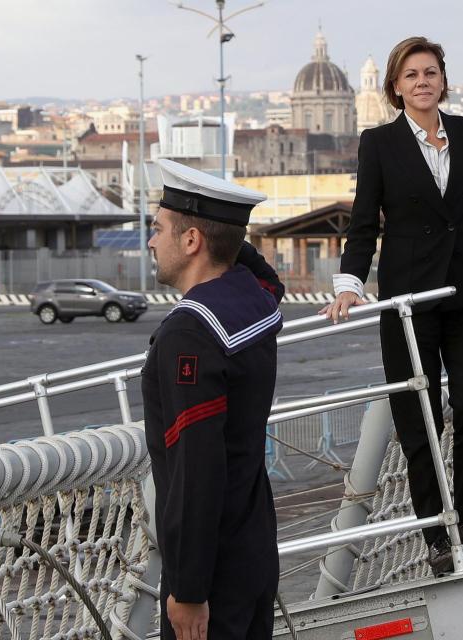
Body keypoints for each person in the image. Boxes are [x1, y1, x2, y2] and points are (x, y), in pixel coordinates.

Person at [323, 36, 463, 576]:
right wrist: (349, 283)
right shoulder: (379, 143)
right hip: (408, 302)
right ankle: (436, 533)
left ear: (443, 80)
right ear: (396, 87)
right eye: (411, 75)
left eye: (430, 72)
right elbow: (364, 223)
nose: (422, 82)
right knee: (419, 418)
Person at [142, 159, 283, 640]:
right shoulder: (252, 302)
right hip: (254, 551)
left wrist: (187, 589)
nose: (151, 241)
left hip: (212, 577)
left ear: (191, 241)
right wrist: (226, 231)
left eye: (158, 229)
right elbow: (268, 280)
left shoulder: (191, 332)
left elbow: (196, 469)